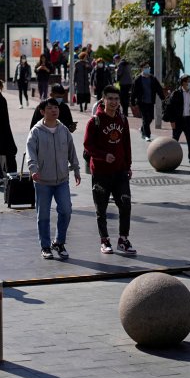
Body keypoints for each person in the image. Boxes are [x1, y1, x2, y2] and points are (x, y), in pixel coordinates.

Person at [27, 98, 81, 260]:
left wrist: (76, 169)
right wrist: (33, 169)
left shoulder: (63, 130)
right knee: (43, 215)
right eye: (49, 108)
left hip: (62, 180)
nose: (54, 110)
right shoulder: (36, 131)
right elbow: (31, 153)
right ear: (42, 112)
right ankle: (45, 246)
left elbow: (71, 151)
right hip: (42, 181)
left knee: (66, 210)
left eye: (56, 107)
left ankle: (59, 242)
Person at [85, 88, 135, 256]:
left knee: (125, 204)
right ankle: (104, 240)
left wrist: (128, 165)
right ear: (103, 100)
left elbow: (126, 144)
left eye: (116, 99)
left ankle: (123, 239)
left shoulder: (122, 119)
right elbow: (87, 146)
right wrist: (103, 156)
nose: (114, 102)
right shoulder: (95, 121)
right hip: (101, 172)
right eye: (110, 99)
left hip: (120, 171)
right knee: (102, 209)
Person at [163, 75, 190, 169]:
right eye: (188, 81)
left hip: (188, 120)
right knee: (174, 141)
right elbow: (170, 107)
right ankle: (169, 159)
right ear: (183, 82)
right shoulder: (176, 93)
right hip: (178, 120)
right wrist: (172, 121)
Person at [134, 63, 160, 140]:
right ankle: (147, 135)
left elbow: (158, 88)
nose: (147, 69)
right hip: (142, 102)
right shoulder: (138, 79)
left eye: (148, 67)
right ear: (141, 69)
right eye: (145, 67)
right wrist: (132, 101)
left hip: (150, 101)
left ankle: (143, 128)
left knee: (151, 118)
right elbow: (134, 91)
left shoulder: (152, 78)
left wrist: (162, 97)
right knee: (145, 118)